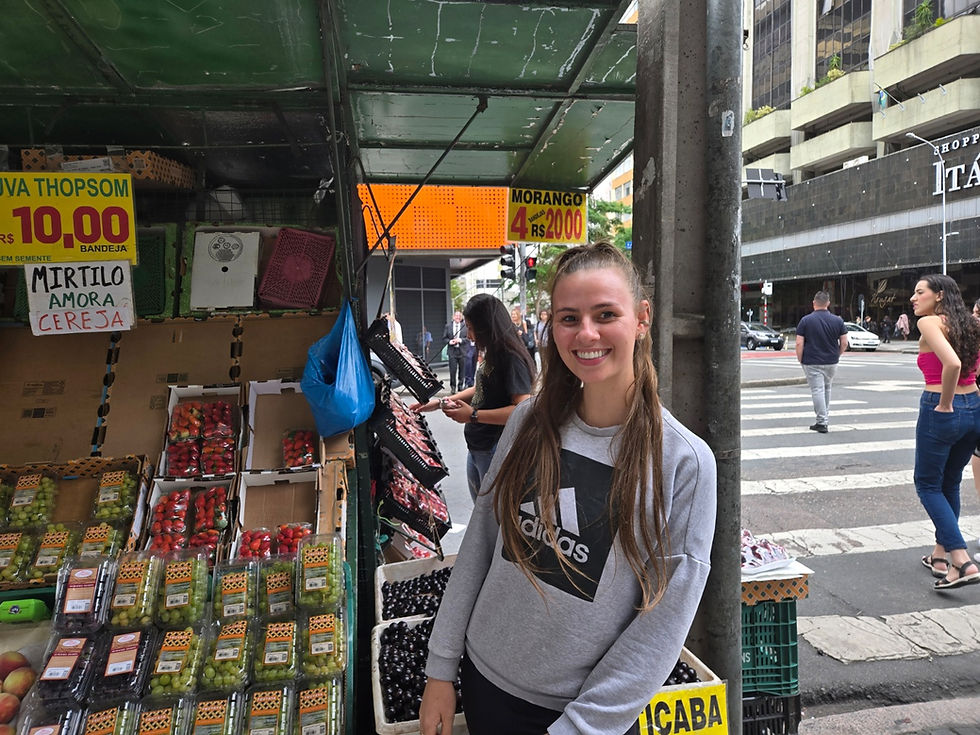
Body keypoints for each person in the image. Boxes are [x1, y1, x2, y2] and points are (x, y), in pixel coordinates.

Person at [419, 242, 717, 735]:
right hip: (483, 681)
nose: (587, 334)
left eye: (605, 314)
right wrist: (440, 666)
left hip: (575, 714)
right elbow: (480, 547)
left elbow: (662, 625)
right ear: (550, 326)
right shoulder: (529, 421)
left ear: (642, 318)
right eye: (568, 318)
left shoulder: (685, 463)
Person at [411, 294, 535, 502]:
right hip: (479, 448)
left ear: (487, 326)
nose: (468, 335)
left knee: (491, 519)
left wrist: (474, 415)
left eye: (470, 327)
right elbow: (481, 388)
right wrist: (439, 403)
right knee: (481, 513)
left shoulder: (512, 358)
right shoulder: (493, 353)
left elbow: (522, 409)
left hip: (495, 450)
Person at [910, 275, 980, 589]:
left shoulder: (929, 323)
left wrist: (945, 403)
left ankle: (962, 560)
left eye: (919, 292)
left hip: (943, 406)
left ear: (938, 296)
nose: (913, 297)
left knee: (926, 484)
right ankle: (941, 557)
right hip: (975, 407)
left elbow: (950, 364)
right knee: (950, 481)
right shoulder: (971, 324)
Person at [796, 291, 848, 433]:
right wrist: (837, 354)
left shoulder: (805, 320)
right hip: (831, 361)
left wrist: (800, 359)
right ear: (828, 304)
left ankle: (822, 422)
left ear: (814, 303)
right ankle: (824, 418)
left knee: (817, 390)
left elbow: (799, 343)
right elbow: (844, 342)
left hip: (812, 361)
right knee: (827, 388)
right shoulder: (838, 321)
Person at [444, 311, 466, 393]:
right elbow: (444, 338)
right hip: (452, 351)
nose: (458, 317)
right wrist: (450, 342)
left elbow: (468, 338)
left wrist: (460, 340)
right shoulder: (448, 326)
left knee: (462, 370)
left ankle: (460, 386)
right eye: (456, 316)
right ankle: (453, 387)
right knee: (452, 370)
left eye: (459, 316)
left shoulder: (465, 326)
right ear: (453, 317)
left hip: (462, 351)